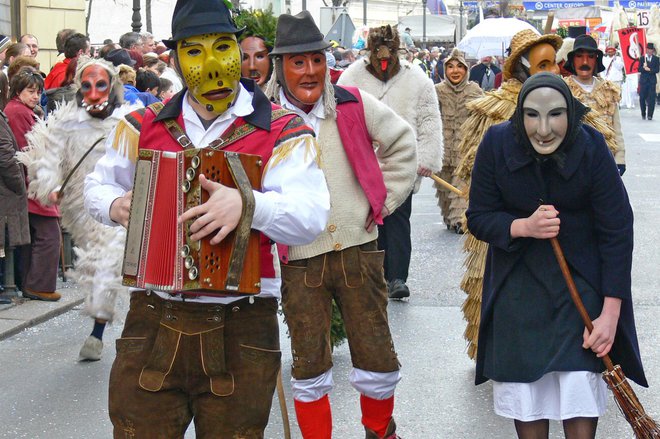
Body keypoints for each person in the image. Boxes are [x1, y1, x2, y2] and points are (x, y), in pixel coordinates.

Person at [84, 0, 329, 435]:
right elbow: (96, 187)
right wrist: (113, 205)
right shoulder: (141, 124)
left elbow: (311, 217)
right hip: (153, 313)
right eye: (195, 52)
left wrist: (249, 205)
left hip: (242, 320)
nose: (213, 65)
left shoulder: (283, 129)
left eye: (222, 47)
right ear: (175, 60)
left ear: (238, 50)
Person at [467, 72, 647, 439]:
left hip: (580, 291)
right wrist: (522, 227)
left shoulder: (592, 146)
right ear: (519, 115)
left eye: (555, 115)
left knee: (578, 388)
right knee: (527, 395)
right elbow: (479, 217)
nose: (544, 129)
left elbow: (617, 230)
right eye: (532, 115)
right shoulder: (497, 144)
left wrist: (610, 315)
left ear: (571, 112)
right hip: (518, 291)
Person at [265, 12, 416, 438]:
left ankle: (379, 431)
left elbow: (403, 144)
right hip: (299, 259)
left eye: (315, 60)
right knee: (310, 361)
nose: (309, 71)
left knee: (376, 352)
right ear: (281, 67)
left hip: (359, 250)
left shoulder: (351, 103)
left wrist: (380, 200)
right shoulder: (265, 118)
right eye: (298, 62)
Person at [17, 57, 140, 361]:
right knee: (101, 263)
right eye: (87, 86)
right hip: (83, 210)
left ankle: (100, 333)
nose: (94, 93)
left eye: (101, 85)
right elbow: (46, 156)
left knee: (109, 262)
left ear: (112, 87)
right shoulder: (66, 123)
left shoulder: (130, 122)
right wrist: (51, 184)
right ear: (78, 89)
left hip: (122, 207)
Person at [338, 24, 442, 300]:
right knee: (370, 219)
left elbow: (430, 118)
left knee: (397, 218)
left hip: (403, 163)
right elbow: (336, 116)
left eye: (390, 52)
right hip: (364, 163)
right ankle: (376, 275)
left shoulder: (417, 78)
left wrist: (427, 157)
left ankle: (397, 277)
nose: (383, 59)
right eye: (377, 52)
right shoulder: (352, 76)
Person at [4, 66, 61, 301]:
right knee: (49, 235)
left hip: (31, 181)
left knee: (35, 236)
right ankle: (37, 284)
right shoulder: (19, 112)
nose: (36, 96)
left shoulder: (22, 110)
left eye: (38, 92)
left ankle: (30, 282)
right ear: (18, 91)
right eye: (31, 91)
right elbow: (28, 151)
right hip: (33, 182)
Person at [433, 49, 483, 233]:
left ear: (466, 69)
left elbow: (482, 118)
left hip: (465, 147)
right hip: (443, 148)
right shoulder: (437, 91)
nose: (455, 71)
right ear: (444, 70)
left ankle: (461, 221)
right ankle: (449, 217)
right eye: (451, 67)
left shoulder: (475, 90)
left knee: (461, 184)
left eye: (460, 67)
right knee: (444, 187)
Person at [564, 34, 626, 176]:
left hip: (605, 161)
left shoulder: (609, 90)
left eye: (590, 56)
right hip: (573, 164)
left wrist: (620, 158)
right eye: (579, 56)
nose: (584, 61)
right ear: (573, 60)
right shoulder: (563, 89)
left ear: (596, 60)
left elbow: (616, 127)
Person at [0, 72, 30, 304]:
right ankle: (6, 288)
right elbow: (7, 157)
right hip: (5, 191)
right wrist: (20, 185)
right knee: (5, 241)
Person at [638, 42, 659, 120]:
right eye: (648, 49)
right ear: (646, 49)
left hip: (652, 81)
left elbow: (657, 70)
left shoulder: (656, 59)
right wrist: (643, 67)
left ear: (653, 50)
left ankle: (650, 115)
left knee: (652, 99)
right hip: (643, 81)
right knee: (642, 98)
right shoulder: (642, 58)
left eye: (651, 49)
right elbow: (639, 69)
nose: (650, 51)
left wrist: (649, 69)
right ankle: (643, 113)